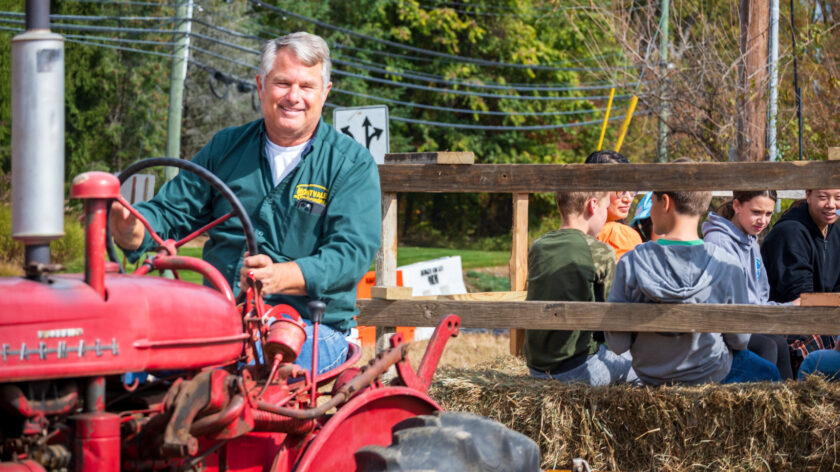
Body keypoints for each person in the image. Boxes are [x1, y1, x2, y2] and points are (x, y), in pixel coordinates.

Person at [109, 32, 382, 375]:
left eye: (307, 86)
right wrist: (129, 224)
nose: (294, 97)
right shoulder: (226, 148)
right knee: (123, 360)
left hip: (311, 328)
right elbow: (168, 213)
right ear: (261, 85)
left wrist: (278, 277)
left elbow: (350, 254)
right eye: (282, 83)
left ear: (325, 93)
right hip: (221, 320)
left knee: (246, 372)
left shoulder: (349, 164)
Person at [605, 178, 781, 385]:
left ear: (666, 202)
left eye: (652, 202)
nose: (651, 211)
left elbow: (618, 343)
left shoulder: (630, 262)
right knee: (769, 373)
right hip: (711, 372)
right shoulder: (726, 263)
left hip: (650, 375)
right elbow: (740, 340)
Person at [524, 189, 635, 385]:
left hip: (536, 368)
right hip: (578, 367)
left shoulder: (538, 246)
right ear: (593, 206)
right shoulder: (600, 251)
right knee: (644, 370)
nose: (604, 217)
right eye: (605, 209)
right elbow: (614, 319)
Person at [701, 191, 795, 379]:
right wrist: (787, 308)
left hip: (750, 320)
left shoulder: (751, 240)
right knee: (767, 345)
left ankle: (789, 404)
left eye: (768, 214)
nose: (763, 220)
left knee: (780, 343)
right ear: (737, 206)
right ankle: (763, 402)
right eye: (756, 212)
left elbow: (759, 296)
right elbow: (735, 300)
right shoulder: (718, 241)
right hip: (727, 325)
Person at [761, 189, 840, 374]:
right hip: (792, 322)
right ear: (808, 195)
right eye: (822, 197)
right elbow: (801, 297)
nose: (831, 204)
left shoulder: (835, 230)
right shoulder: (790, 233)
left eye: (838, 198)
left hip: (825, 316)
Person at [584, 150, 642, 260]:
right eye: (620, 189)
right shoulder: (620, 235)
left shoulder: (570, 233)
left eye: (632, 189)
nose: (628, 198)